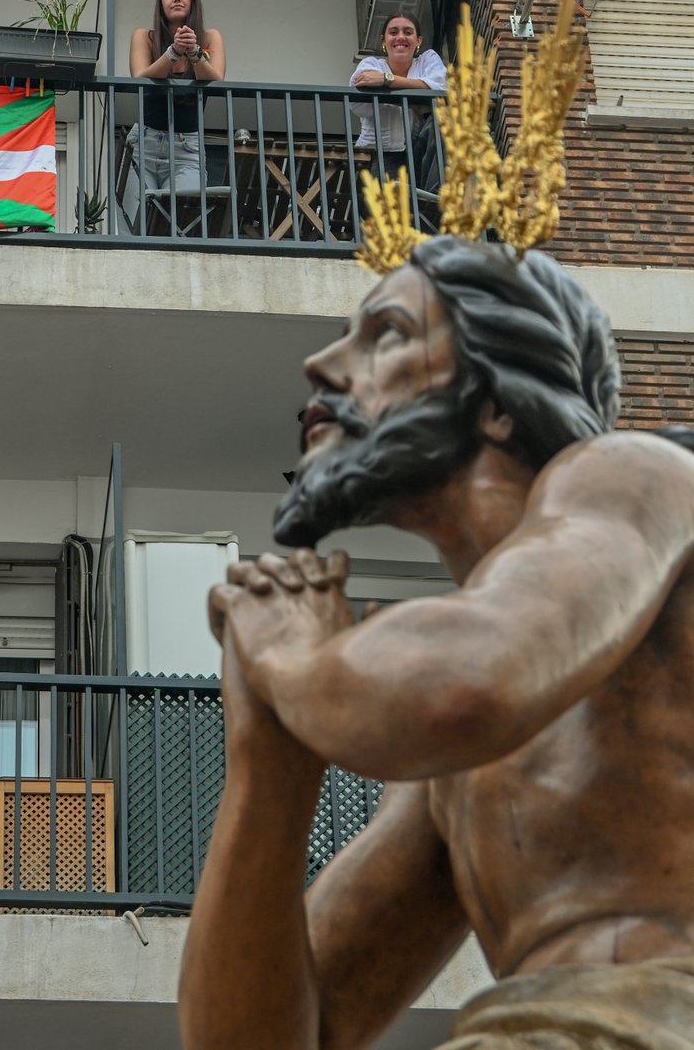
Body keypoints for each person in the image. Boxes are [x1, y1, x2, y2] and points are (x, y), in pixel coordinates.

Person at [179, 234, 694, 1049]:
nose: (320, 363)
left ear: (494, 399)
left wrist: (293, 660)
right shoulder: (449, 756)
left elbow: (459, 689)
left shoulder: (635, 474)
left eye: (383, 333)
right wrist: (267, 763)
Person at [127, 0, 226, 193]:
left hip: (187, 146)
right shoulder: (144, 36)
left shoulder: (210, 37)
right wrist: (173, 52)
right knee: (138, 221)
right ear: (160, 4)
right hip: (145, 141)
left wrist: (194, 53)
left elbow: (216, 79)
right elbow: (141, 77)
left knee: (182, 220)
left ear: (193, 1)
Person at [350, 12, 446, 182]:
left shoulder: (428, 59)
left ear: (419, 41)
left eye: (408, 32)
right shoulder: (371, 63)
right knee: (381, 207)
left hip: (420, 153)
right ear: (383, 41)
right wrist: (418, 94)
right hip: (378, 154)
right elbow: (360, 85)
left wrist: (387, 80)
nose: (400, 37)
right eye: (393, 32)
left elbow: (441, 89)